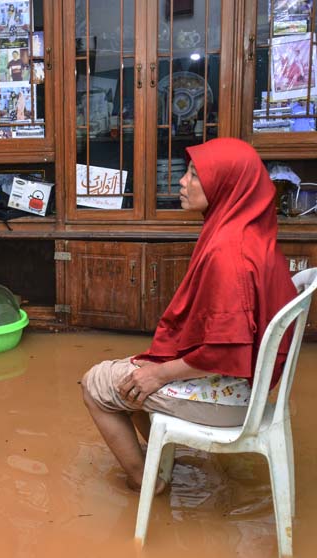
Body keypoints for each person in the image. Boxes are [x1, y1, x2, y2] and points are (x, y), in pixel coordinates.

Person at [81, 137, 297, 494]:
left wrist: (159, 374)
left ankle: (147, 483)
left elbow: (227, 351)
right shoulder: (248, 231)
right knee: (132, 373)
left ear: (225, 185)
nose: (182, 182)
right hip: (249, 386)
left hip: (234, 398)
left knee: (96, 384)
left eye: (195, 175)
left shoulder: (229, 252)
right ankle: (163, 459)